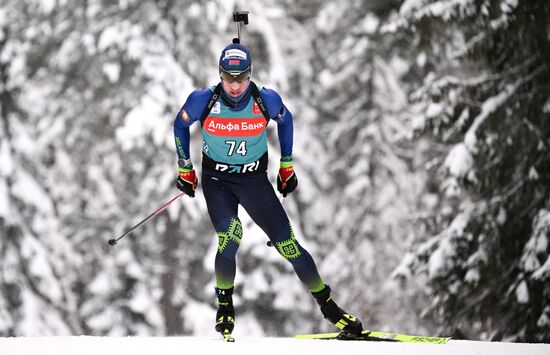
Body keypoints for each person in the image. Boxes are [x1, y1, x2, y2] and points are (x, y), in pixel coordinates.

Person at [173, 38, 363, 337]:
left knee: (290, 246)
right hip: (217, 182)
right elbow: (180, 125)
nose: (234, 86)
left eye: (242, 79)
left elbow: (286, 122)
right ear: (219, 74)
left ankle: (329, 307)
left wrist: (286, 164)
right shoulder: (203, 100)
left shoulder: (266, 100)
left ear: (250, 74)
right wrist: (185, 166)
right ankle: (225, 308)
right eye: (228, 79)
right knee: (230, 236)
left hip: (254, 182)